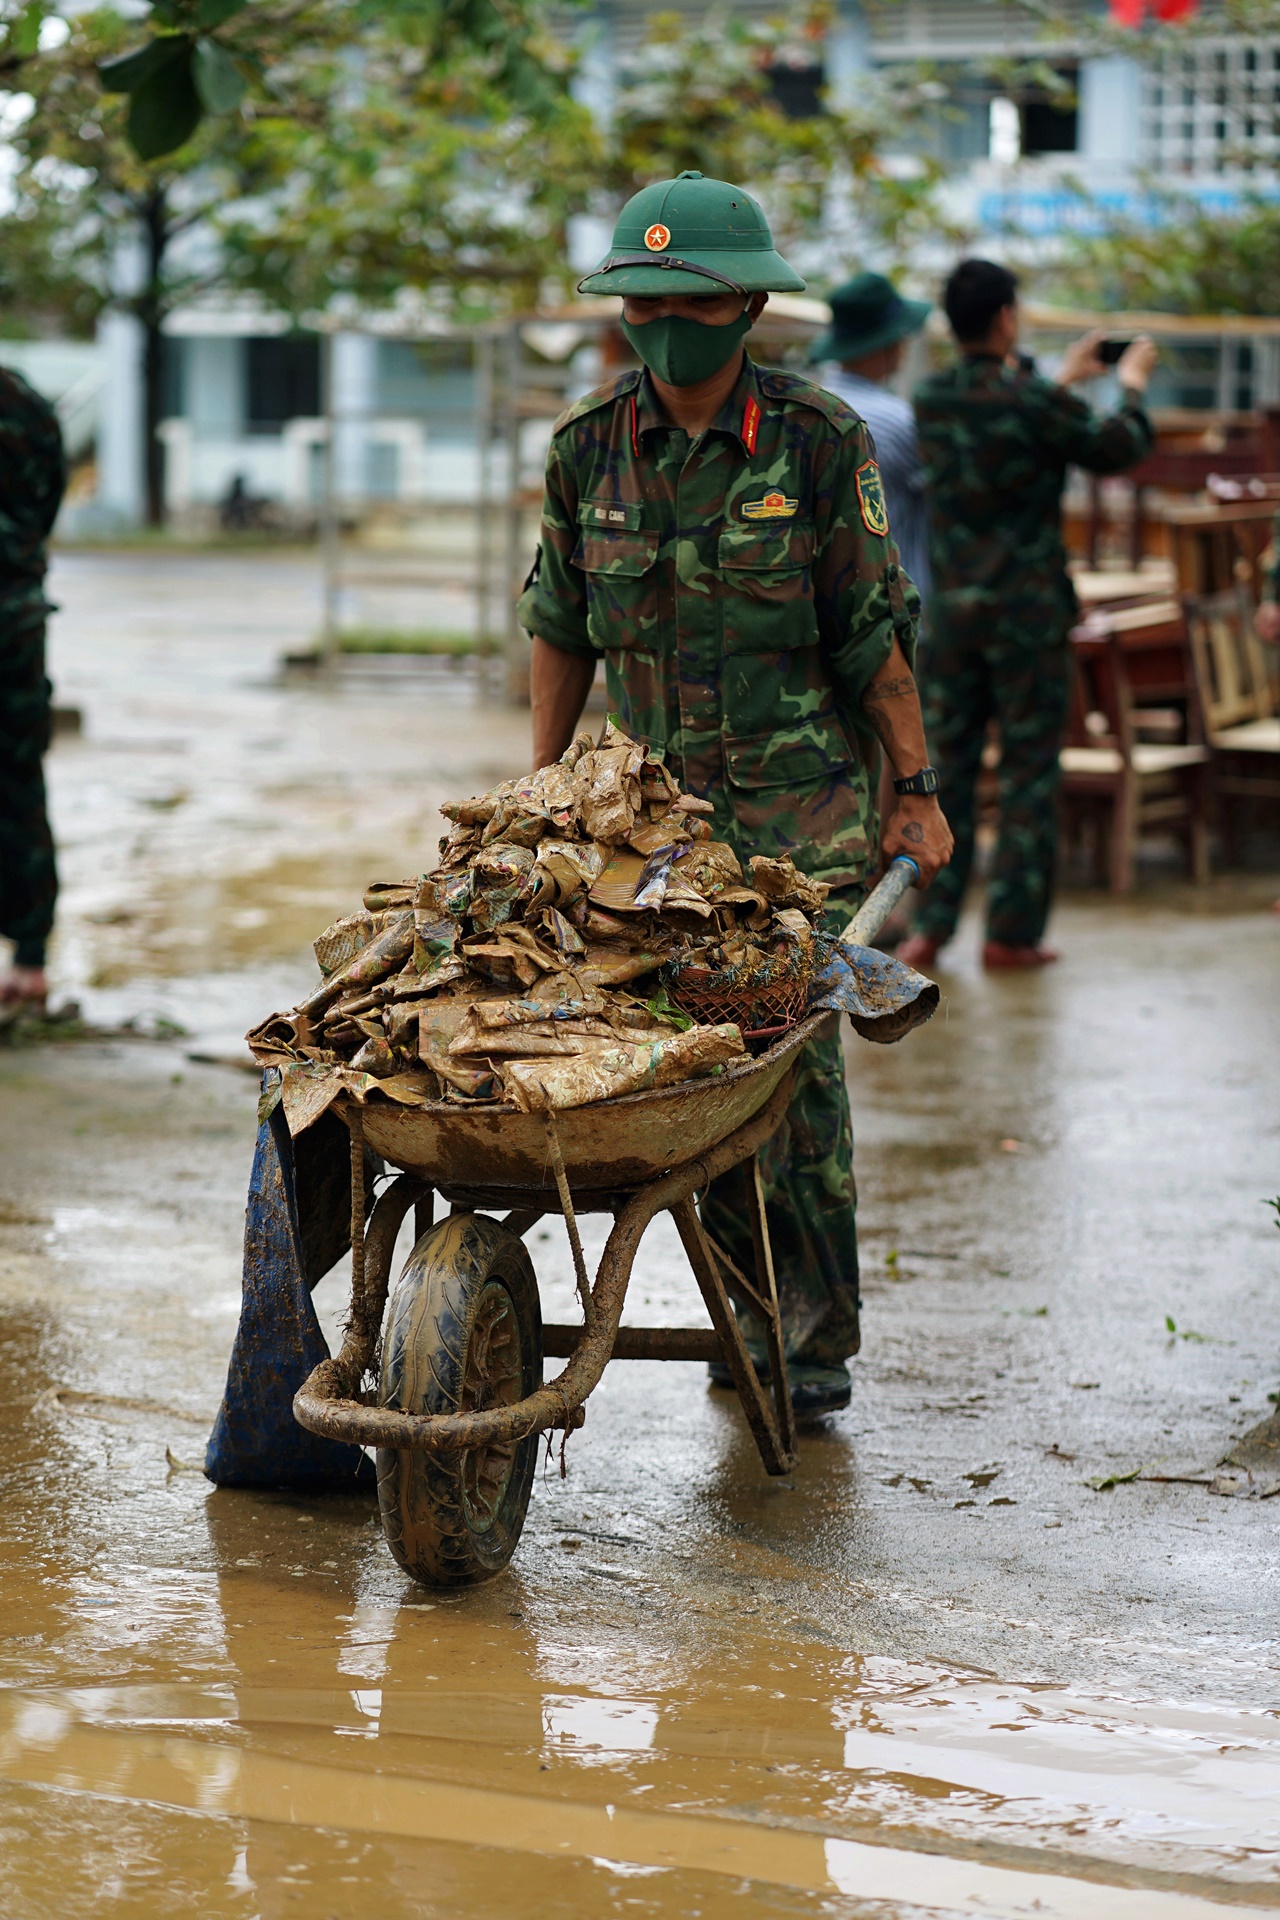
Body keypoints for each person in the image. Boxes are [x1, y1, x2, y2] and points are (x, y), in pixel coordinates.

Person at [517, 170, 952, 1414]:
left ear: (749, 308)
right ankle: (742, 1320)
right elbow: (561, 627)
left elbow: (868, 630)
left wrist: (912, 787)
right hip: (651, 835)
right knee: (686, 1068)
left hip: (795, 824)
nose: (665, 328)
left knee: (786, 1074)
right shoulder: (586, 448)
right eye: (643, 304)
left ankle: (804, 1345)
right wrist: (541, 791)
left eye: (692, 303)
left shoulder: (816, 442)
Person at [899, 260, 1156, 972]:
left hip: (952, 616)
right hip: (1027, 617)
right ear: (1007, 318)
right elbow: (1117, 446)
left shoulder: (932, 397)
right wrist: (1131, 383)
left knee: (945, 773)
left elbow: (1008, 417)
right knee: (1027, 775)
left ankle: (930, 927)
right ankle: (1009, 934)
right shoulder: (1035, 399)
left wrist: (1059, 380)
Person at [0, 364, 66, 1010]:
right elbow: (46, 504)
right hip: (13, 619)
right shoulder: (26, 402)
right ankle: (29, 959)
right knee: (19, 781)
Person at [811, 271, 932, 612]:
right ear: (887, 345)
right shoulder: (899, 420)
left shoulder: (809, 408)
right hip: (894, 606)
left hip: (823, 603)